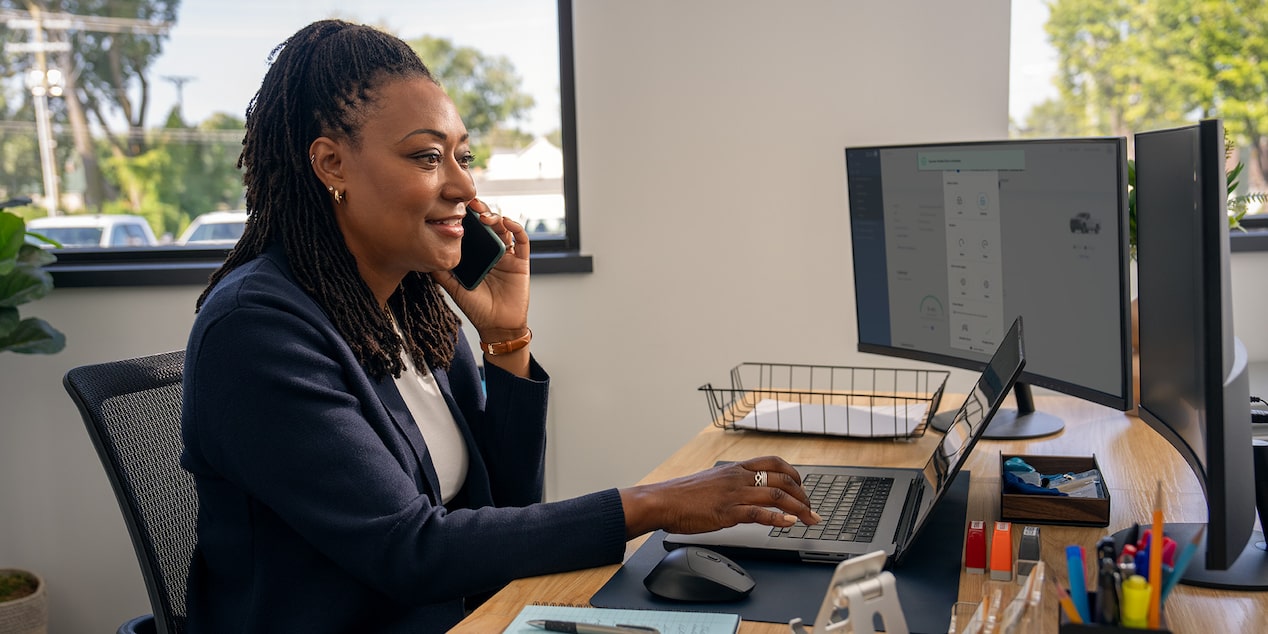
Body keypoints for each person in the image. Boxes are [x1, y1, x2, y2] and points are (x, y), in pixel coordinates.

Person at [180, 19, 819, 633]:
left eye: (463, 154)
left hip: (469, 615)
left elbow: (507, 508)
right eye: (427, 158)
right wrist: (655, 504)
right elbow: (409, 551)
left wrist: (506, 340)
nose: (464, 184)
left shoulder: (413, 307)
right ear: (331, 165)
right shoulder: (255, 332)